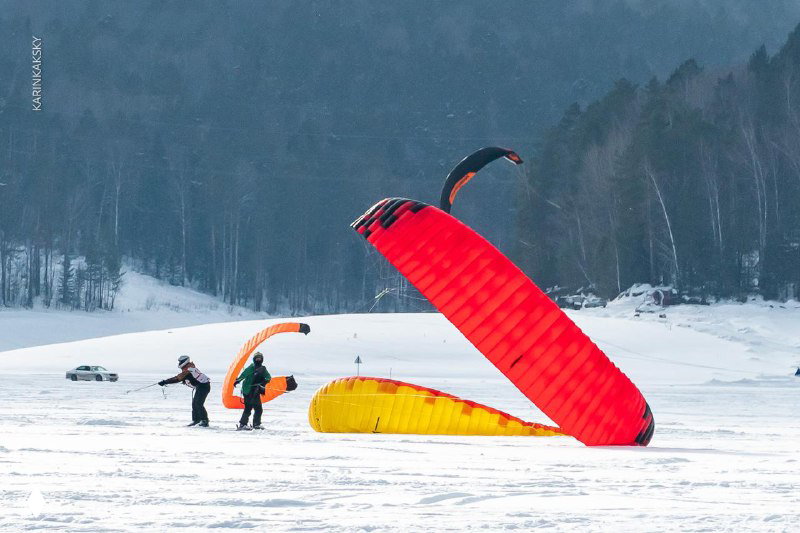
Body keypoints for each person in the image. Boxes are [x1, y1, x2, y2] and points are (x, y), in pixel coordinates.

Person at [158, 355, 211, 427]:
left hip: (203, 386)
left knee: (198, 404)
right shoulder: (188, 367)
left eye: (180, 361)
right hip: (201, 386)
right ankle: (196, 420)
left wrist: (165, 382)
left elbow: (177, 378)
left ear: (185, 361)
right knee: (195, 404)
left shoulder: (189, 369)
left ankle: (204, 421)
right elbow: (186, 377)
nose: (179, 363)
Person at [235, 351, 271, 430]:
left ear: (262, 360)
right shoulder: (251, 367)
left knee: (258, 409)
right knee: (248, 408)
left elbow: (268, 377)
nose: (258, 360)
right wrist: (238, 380)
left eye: (260, 358)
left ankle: (256, 424)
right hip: (248, 390)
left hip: (256, 391)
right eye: (257, 358)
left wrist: (265, 381)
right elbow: (243, 375)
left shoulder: (263, 369)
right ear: (254, 359)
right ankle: (243, 424)